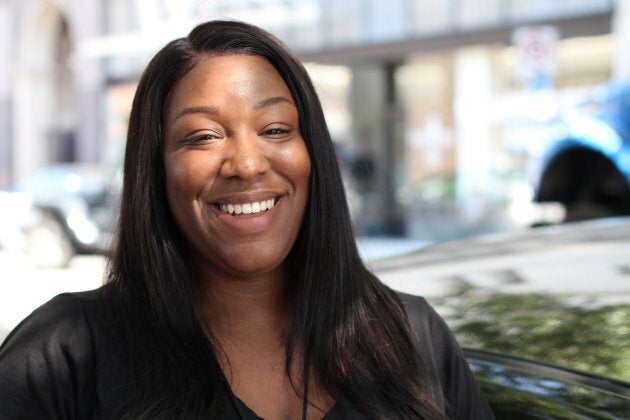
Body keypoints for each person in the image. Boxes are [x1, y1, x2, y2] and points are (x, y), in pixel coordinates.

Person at [0, 20, 494, 419]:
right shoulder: (65, 353)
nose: (248, 163)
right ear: (155, 169)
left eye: (275, 128)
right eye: (203, 136)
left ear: (312, 153)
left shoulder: (412, 335)